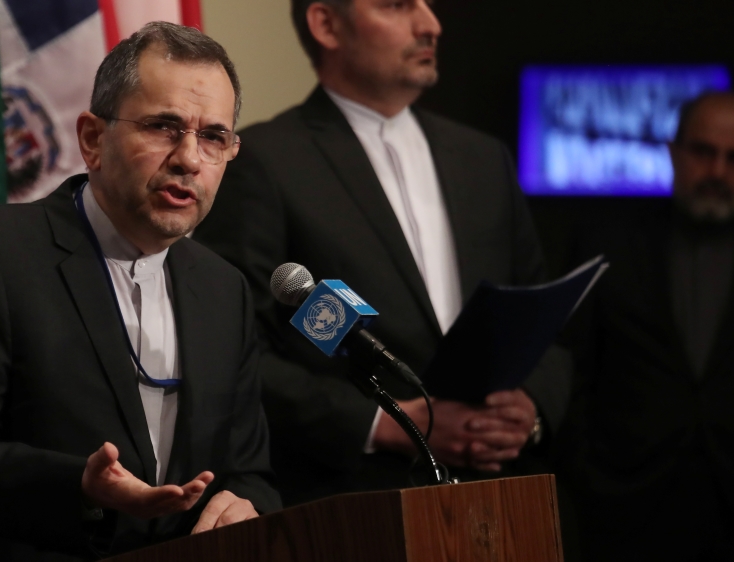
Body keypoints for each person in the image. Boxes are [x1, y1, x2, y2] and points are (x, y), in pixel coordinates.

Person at [0, 22, 280, 561]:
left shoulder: (223, 288)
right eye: (165, 126)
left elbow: (248, 471)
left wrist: (244, 504)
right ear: (93, 139)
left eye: (213, 137)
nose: (190, 159)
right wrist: (78, 487)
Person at [194, 0, 571, 504]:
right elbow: (237, 353)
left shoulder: (485, 158)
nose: (431, 25)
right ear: (327, 24)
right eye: (397, 6)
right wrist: (386, 423)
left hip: (504, 490)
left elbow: (546, 323)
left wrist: (531, 409)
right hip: (359, 499)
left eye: (428, 6)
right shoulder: (265, 162)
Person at [557, 91, 734, 561]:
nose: (717, 171)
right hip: (623, 505)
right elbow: (570, 366)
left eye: (733, 158)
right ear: (674, 152)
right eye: (703, 151)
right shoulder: (604, 240)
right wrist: (586, 474)